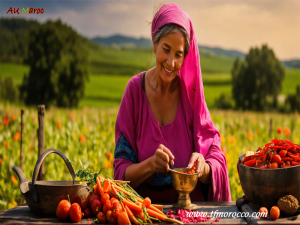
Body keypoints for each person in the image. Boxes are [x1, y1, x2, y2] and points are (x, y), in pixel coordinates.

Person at [113, 3, 231, 203]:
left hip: (190, 214)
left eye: (179, 54)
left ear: (186, 56)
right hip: (144, 215)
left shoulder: (190, 96)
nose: (171, 62)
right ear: (154, 44)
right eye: (165, 50)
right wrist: (150, 165)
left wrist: (202, 168)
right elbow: (120, 174)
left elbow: (216, 159)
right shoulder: (135, 91)